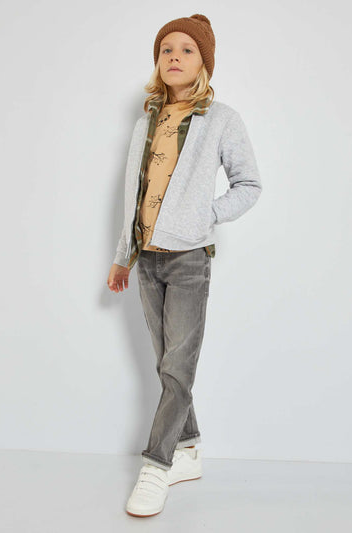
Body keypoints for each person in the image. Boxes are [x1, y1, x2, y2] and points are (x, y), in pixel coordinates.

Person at [107, 14, 262, 517]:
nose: (174, 56)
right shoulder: (146, 121)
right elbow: (133, 195)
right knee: (166, 364)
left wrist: (204, 215)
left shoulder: (221, 120)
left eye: (187, 50)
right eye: (166, 49)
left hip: (189, 259)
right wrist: (123, 256)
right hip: (146, 259)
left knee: (177, 367)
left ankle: (156, 466)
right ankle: (188, 449)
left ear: (203, 63)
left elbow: (249, 185)